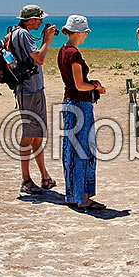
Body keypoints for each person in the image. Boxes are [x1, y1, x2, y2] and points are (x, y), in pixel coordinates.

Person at [57, 15, 107, 211]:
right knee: (83, 151)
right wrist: (96, 87)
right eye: (85, 31)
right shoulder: (74, 54)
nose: (86, 35)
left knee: (70, 150)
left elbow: (73, 83)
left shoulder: (62, 51)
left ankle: (72, 194)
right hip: (80, 105)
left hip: (68, 103)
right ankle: (83, 197)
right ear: (78, 32)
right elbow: (79, 85)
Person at [10, 4, 59, 195]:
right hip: (29, 90)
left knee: (37, 133)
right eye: (39, 19)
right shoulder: (23, 34)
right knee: (28, 134)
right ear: (31, 20)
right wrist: (47, 40)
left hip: (32, 89)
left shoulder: (18, 33)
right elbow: (39, 58)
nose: (41, 22)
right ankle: (26, 179)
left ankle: (44, 177)